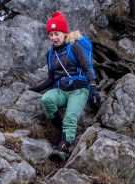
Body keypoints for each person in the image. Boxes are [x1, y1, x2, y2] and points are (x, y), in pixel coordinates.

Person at [28, 11, 101, 162]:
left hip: (79, 90)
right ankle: (62, 130)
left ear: (64, 33)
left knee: (70, 117)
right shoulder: (50, 54)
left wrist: (93, 89)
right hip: (62, 90)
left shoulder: (74, 47)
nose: (54, 37)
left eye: (57, 33)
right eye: (51, 34)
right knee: (47, 99)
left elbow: (87, 68)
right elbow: (51, 79)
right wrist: (36, 89)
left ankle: (63, 148)